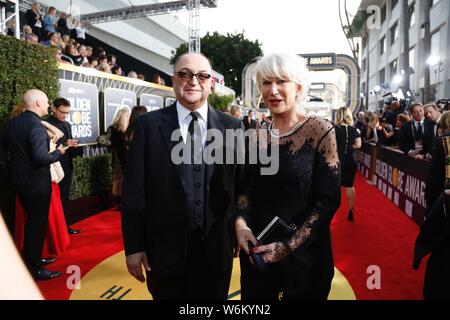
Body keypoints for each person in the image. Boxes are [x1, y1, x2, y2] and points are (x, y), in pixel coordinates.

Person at [122, 53, 243, 299]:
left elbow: (242, 186)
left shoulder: (233, 127)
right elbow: (134, 190)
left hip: (216, 250)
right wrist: (134, 246)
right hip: (163, 253)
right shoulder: (148, 126)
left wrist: (240, 224)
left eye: (202, 75)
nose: (193, 81)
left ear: (211, 83)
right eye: (185, 74)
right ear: (173, 80)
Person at [235, 53, 341, 300]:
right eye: (266, 82)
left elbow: (328, 201)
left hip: (305, 259)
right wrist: (240, 223)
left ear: (299, 87)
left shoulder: (319, 130)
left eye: (281, 81)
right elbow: (245, 191)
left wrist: (288, 246)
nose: (273, 90)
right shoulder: (255, 135)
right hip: (258, 255)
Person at [4, 89, 68, 280]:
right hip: (37, 186)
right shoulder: (35, 126)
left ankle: (34, 259)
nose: (49, 105)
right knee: (36, 226)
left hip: (19, 183)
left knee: (32, 225)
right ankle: (34, 268)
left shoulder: (12, 124)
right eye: (47, 102)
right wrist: (59, 153)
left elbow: (4, 154)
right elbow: (41, 158)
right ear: (38, 104)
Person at [413, 111, 450, 299]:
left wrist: (430, 212)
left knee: (441, 261)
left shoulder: (443, 143)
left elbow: (434, 181)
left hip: (444, 211)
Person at [47, 98, 81, 235]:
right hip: (53, 167)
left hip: (66, 166)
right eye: (62, 112)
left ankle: (65, 227)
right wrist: (64, 143)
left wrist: (73, 145)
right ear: (54, 109)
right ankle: (56, 232)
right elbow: (46, 146)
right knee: (55, 201)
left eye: (67, 113)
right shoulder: (46, 124)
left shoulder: (67, 124)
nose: (65, 115)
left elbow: (68, 144)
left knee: (64, 198)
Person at [335, 107, 361, 221]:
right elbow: (358, 145)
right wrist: (349, 146)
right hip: (351, 160)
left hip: (337, 161)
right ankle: (351, 211)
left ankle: (332, 210)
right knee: (350, 186)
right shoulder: (355, 130)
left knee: (334, 186)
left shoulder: (334, 128)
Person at [109, 108, 130, 208]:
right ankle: (119, 201)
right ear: (121, 117)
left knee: (124, 179)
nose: (129, 117)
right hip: (118, 158)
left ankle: (123, 201)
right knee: (118, 179)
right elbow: (115, 145)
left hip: (126, 158)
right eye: (126, 116)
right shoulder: (114, 129)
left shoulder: (128, 129)